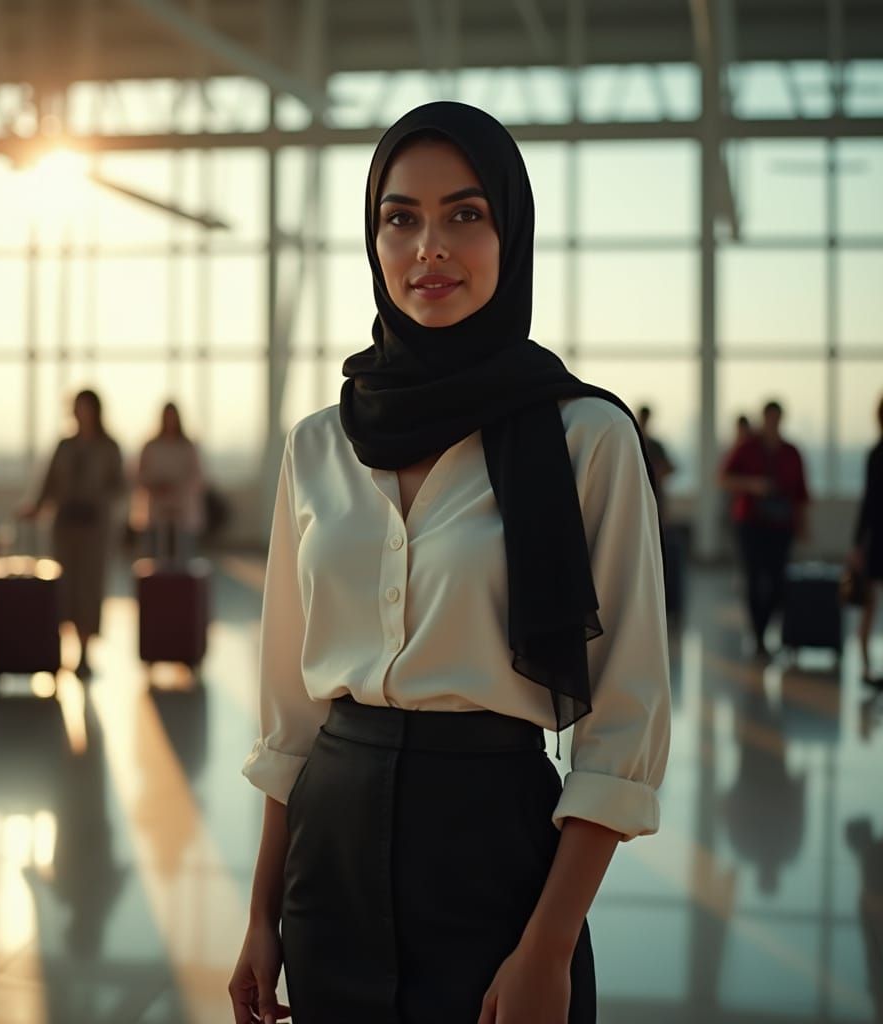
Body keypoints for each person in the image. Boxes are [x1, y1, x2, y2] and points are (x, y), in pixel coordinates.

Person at [229, 102, 671, 1024]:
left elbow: (624, 723)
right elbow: (291, 720)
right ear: (374, 239)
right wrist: (261, 915)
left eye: (465, 214)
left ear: (510, 233)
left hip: (498, 859)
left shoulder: (587, 437)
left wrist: (548, 946)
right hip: (331, 861)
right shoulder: (318, 446)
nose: (430, 246)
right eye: (402, 217)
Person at [20, 390, 124, 680]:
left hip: (94, 529)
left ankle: (84, 653)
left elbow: (119, 486)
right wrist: (36, 507)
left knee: (89, 588)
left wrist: (97, 501)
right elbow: (49, 482)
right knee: (64, 588)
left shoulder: (108, 447)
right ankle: (58, 650)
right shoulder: (64, 446)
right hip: (65, 527)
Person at [719, 399, 810, 659]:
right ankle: (758, 634)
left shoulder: (791, 452)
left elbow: (801, 493)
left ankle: (765, 628)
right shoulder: (746, 448)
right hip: (750, 523)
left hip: (781, 525)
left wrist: (803, 525)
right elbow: (723, 478)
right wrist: (753, 485)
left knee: (778, 581)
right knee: (754, 578)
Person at [136, 402, 205, 561]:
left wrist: (176, 490)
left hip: (182, 512)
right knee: (156, 559)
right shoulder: (151, 447)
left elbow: (196, 476)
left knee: (182, 558)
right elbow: (141, 475)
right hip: (156, 512)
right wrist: (158, 488)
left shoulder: (187, 447)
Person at [849, 394, 883, 687]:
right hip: (877, 539)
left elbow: (869, 504)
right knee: (869, 605)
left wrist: (858, 543)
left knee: (869, 606)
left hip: (878, 538)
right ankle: (866, 664)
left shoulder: (876, 454)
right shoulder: (876, 455)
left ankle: (866, 665)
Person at [637, 404, 675, 518]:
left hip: (653, 495)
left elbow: (670, 467)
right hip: (642, 495)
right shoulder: (636, 442)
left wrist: (656, 473)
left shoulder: (653, 445)